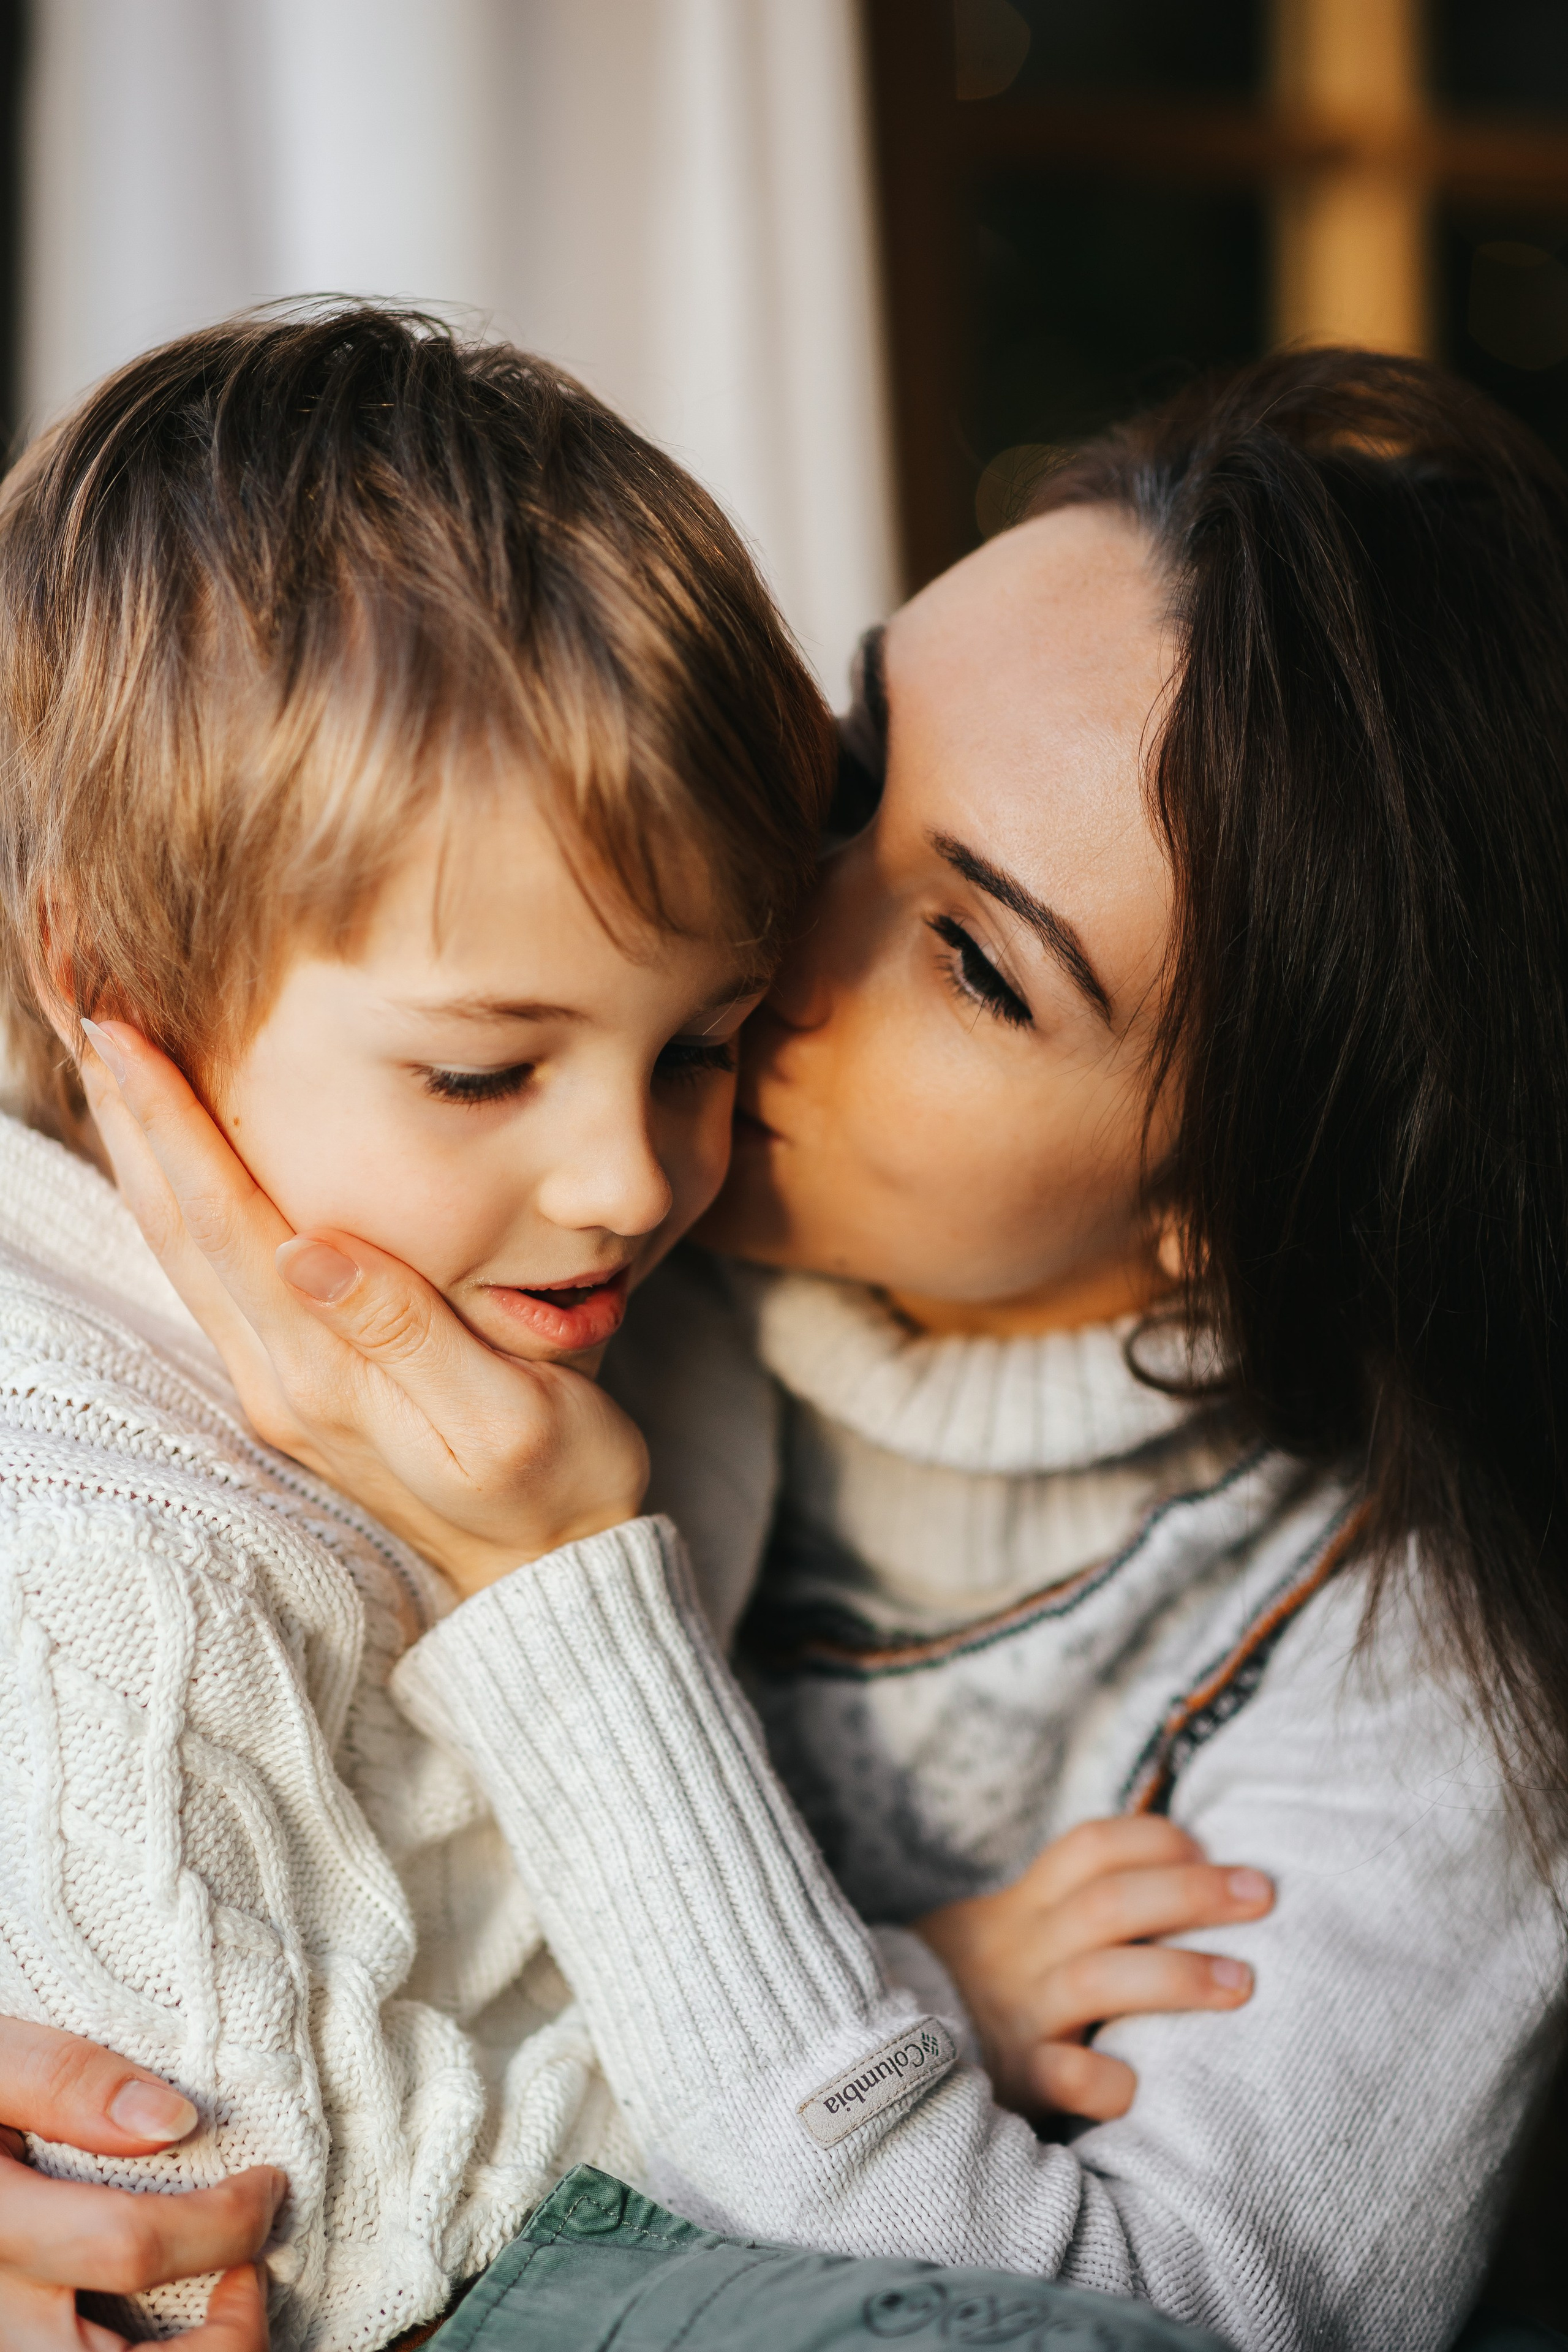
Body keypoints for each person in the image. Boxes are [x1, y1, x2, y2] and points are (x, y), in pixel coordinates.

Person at [0, 307, 1268, 2352]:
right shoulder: (121, 1561)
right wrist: (924, 1985)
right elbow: (291, 2227)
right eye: (488, 1075)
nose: (629, 1181)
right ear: (112, 983)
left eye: (699, 1041)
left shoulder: (572, 1309)